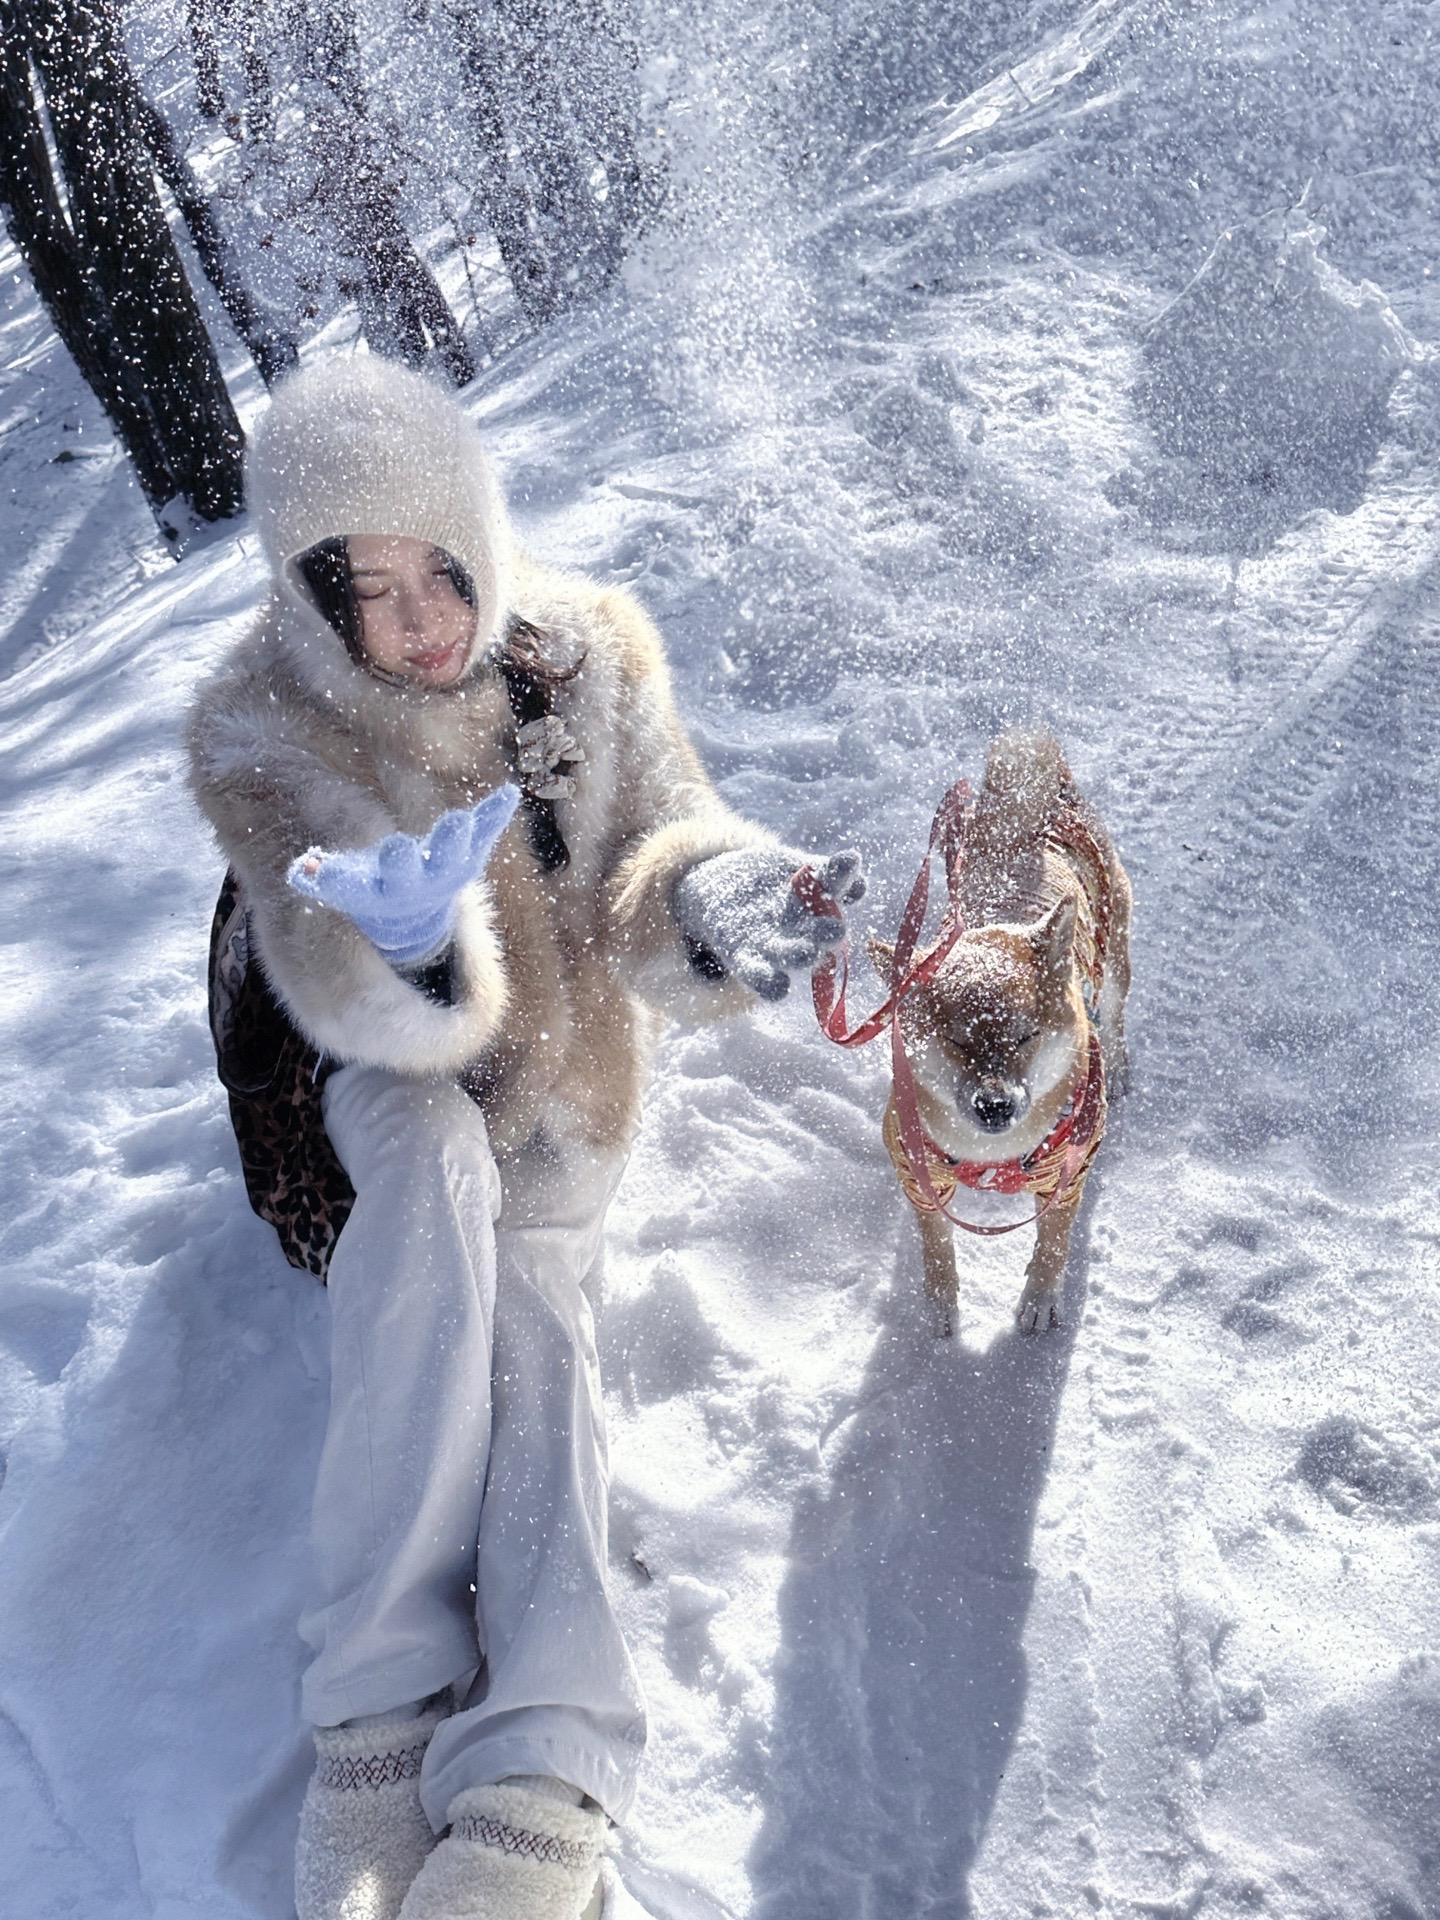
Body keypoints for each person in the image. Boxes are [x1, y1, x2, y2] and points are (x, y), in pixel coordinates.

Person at [184, 352, 866, 1920]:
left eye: (445, 566)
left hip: (562, 1074)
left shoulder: (589, 654)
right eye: (367, 584)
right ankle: (374, 1725)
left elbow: (648, 855)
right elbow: (332, 984)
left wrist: (707, 892)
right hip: (376, 1080)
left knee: (540, 1295)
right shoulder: (258, 722)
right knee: (431, 1188)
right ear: (307, 593)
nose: (423, 617)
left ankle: (543, 1765)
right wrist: (417, 955)